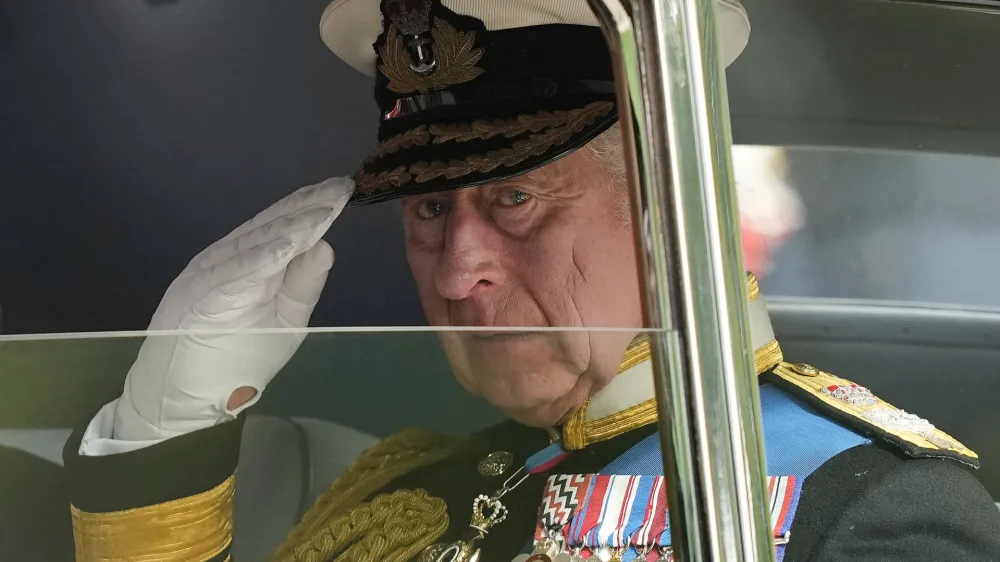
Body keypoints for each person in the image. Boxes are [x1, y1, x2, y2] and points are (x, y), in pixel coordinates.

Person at [62, 0, 1000, 561]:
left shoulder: (864, 503)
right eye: (430, 209)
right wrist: (165, 428)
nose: (460, 270)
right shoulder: (406, 487)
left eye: (515, 196)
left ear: (671, 212)